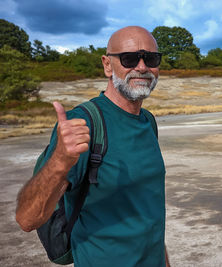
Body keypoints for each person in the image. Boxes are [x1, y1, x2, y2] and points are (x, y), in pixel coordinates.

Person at [15, 26, 170, 267]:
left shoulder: (147, 121)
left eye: (150, 58)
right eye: (129, 58)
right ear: (107, 65)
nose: (142, 67)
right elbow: (27, 219)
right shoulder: (83, 122)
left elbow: (149, 211)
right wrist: (59, 162)